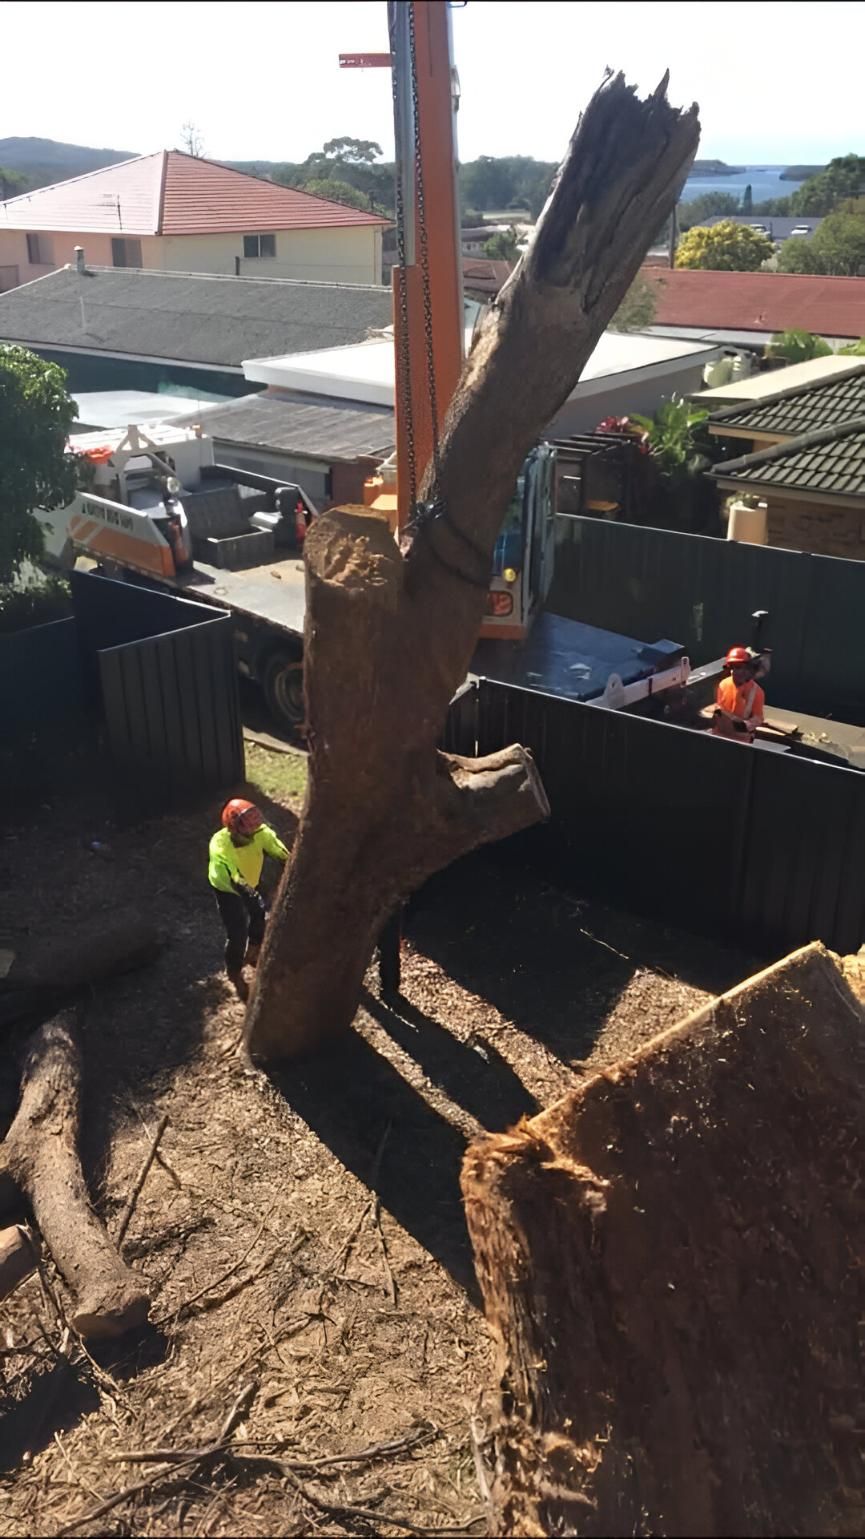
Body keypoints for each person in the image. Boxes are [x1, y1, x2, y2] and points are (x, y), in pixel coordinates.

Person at [208, 799, 288, 999]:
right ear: (234, 825)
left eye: (256, 819)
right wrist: (249, 893)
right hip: (227, 889)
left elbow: (279, 850)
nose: (255, 824)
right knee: (236, 933)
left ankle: (254, 949)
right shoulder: (220, 843)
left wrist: (291, 861)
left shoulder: (261, 833)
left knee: (259, 913)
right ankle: (234, 970)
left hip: (250, 881)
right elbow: (233, 873)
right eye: (248, 821)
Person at [712, 645, 765, 744]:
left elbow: (758, 718)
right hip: (720, 735)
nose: (737, 672)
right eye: (734, 667)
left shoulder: (757, 692)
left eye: (741, 668)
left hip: (740, 741)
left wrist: (745, 725)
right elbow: (719, 709)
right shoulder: (723, 684)